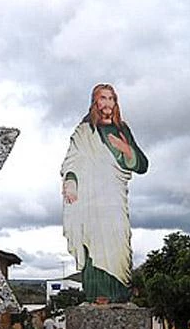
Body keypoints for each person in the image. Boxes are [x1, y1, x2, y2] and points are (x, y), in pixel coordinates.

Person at [61, 84, 148, 304]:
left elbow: (142, 164)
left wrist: (126, 149)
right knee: (94, 240)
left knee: (119, 239)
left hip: (114, 194)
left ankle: (119, 292)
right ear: (95, 102)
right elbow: (72, 159)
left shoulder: (122, 129)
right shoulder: (84, 131)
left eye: (111, 98)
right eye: (103, 98)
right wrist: (71, 181)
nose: (107, 103)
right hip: (92, 197)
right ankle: (97, 293)